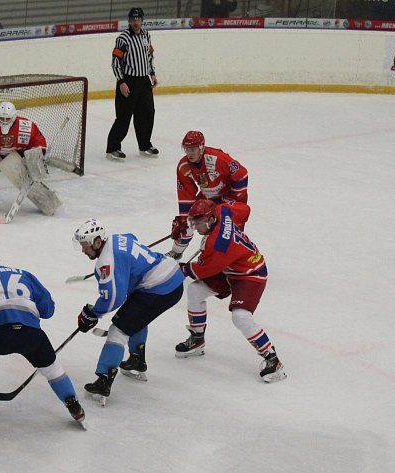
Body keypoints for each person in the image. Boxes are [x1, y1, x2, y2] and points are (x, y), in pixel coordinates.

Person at [0, 254, 85, 426]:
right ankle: (74, 405)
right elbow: (47, 309)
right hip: (31, 336)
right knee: (52, 368)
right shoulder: (25, 274)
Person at [73, 219, 185, 405]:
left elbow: (113, 298)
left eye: (85, 245)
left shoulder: (106, 262)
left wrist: (93, 314)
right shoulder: (119, 238)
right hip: (170, 276)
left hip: (161, 288)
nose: (83, 250)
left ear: (98, 242)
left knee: (119, 329)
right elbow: (133, 239)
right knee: (136, 316)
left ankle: (104, 380)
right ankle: (136, 359)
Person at [176, 198, 287, 383]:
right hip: (231, 268)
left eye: (197, 223)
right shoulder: (223, 210)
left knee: (240, 317)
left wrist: (177, 268)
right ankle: (197, 338)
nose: (195, 227)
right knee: (195, 292)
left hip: (251, 274)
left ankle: (272, 359)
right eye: (193, 222)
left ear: (210, 219)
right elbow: (245, 209)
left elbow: (201, 270)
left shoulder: (218, 244)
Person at [166, 130, 249, 261]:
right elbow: (186, 195)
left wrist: (232, 199)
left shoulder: (218, 158)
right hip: (208, 198)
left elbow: (242, 174)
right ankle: (176, 252)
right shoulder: (183, 166)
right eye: (186, 149)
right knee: (188, 221)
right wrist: (184, 219)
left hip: (231, 197)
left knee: (226, 230)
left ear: (201, 147)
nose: (189, 153)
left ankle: (227, 258)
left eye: (192, 149)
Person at [105, 7, 158, 161]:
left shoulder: (146, 35)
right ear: (129, 21)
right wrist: (121, 81)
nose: (136, 22)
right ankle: (113, 147)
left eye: (138, 19)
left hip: (144, 82)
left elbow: (150, 56)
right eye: (133, 19)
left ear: (142, 20)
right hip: (128, 81)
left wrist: (152, 73)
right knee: (124, 116)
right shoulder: (123, 38)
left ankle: (145, 144)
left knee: (148, 113)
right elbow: (115, 62)